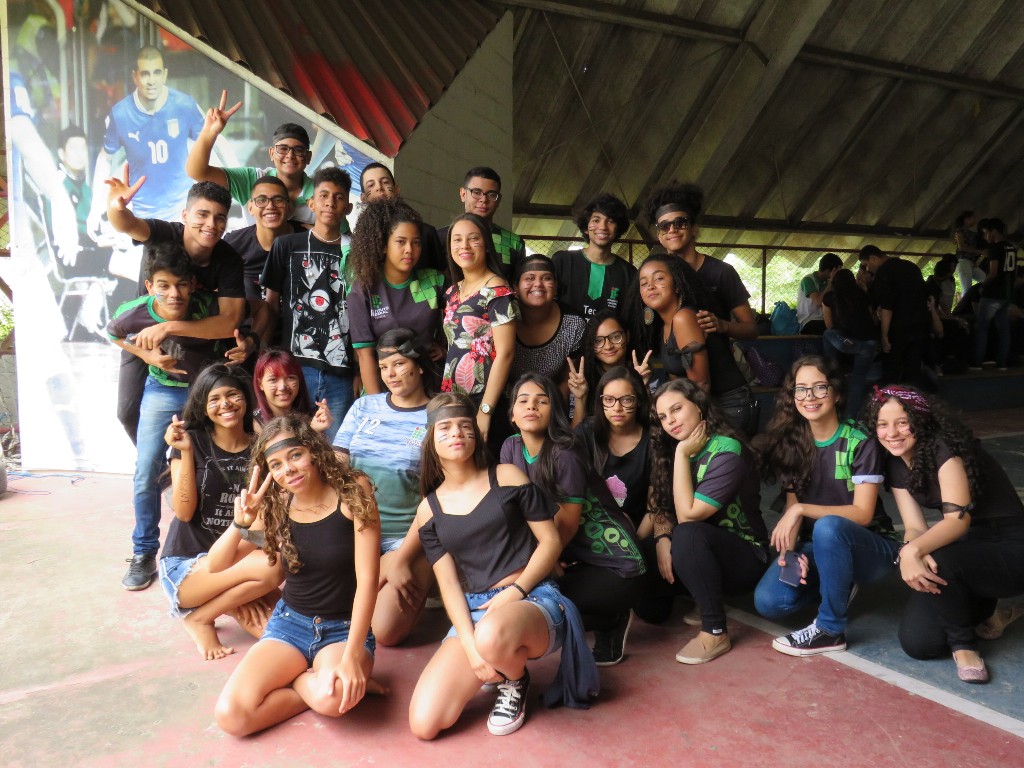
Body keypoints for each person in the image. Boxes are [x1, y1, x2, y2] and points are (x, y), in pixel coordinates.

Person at [407, 394, 596, 739]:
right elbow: (448, 584)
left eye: (464, 425)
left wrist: (516, 591)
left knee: (491, 636)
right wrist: (470, 649)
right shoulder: (427, 510)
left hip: (532, 598)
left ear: (476, 434)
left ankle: (515, 679)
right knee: (425, 723)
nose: (456, 433)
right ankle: (491, 656)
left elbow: (551, 541)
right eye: (445, 428)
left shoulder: (506, 476)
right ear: (430, 440)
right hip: (476, 610)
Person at [214, 414, 381, 736]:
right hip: (290, 625)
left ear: (313, 451)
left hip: (343, 630)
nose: (288, 469)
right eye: (275, 464)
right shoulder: (276, 504)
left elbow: (367, 582)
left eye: (295, 455)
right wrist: (241, 523)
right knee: (231, 717)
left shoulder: (351, 490)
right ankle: (310, 680)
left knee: (333, 699)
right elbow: (216, 565)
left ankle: (314, 679)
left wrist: (351, 656)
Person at [868, 386, 1024, 683]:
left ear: (920, 420)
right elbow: (915, 527)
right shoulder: (895, 461)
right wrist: (913, 550)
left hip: (1009, 548)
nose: (892, 433)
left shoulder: (944, 449)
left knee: (938, 558)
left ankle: (964, 647)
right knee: (919, 643)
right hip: (965, 552)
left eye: (902, 422)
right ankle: (988, 610)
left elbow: (956, 522)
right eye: (882, 424)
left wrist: (911, 551)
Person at [753, 355, 899, 656]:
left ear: (836, 393)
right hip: (818, 544)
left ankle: (830, 630)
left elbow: (862, 514)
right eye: (801, 389)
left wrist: (801, 510)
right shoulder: (793, 443)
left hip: (871, 547)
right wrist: (790, 555)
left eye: (819, 387)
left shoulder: (859, 441)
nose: (810, 396)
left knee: (829, 526)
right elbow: (792, 509)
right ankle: (838, 584)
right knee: (769, 602)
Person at [501, 374, 645, 666]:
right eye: (523, 401)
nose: (531, 406)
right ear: (512, 414)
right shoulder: (510, 448)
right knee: (518, 591)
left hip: (616, 566)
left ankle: (611, 617)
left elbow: (567, 524)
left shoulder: (565, 452)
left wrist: (545, 563)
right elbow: (513, 514)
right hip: (571, 557)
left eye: (542, 401)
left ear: (554, 411)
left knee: (538, 602)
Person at [107, 243, 224, 590]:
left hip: (204, 391)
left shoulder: (207, 306)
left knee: (216, 466)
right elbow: (113, 333)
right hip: (162, 389)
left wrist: (242, 345)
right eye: (164, 286)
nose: (174, 294)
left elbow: (239, 326)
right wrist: (146, 357)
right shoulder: (133, 312)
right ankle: (144, 552)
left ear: (193, 284)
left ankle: (216, 545)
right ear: (149, 287)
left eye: (181, 285)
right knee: (145, 470)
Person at [105, 173, 246, 442]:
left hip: (192, 342)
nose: (211, 224)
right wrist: (116, 207)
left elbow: (230, 321)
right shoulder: (164, 234)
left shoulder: (228, 259)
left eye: (219, 218)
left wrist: (168, 328)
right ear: (185, 215)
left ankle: (183, 461)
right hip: (144, 334)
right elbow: (127, 224)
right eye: (202, 214)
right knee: (127, 412)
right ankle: (157, 466)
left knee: (195, 417)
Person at [158, 364, 280, 660]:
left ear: (246, 399)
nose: (225, 404)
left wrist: (236, 578)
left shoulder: (260, 449)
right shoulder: (192, 440)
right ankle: (200, 617)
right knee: (273, 566)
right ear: (203, 405)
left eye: (233, 395)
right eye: (214, 398)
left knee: (276, 631)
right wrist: (186, 451)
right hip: (186, 568)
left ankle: (227, 601)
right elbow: (184, 513)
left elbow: (261, 526)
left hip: (237, 561)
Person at [647, 378, 768, 664]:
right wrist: (661, 538)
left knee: (687, 533)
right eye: (663, 416)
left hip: (745, 556)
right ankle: (701, 595)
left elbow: (687, 515)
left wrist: (681, 454)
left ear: (699, 406)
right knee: (649, 598)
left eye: (677, 409)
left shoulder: (726, 449)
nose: (670, 421)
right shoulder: (672, 449)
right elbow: (661, 502)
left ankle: (715, 631)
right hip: (703, 551)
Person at [333, 328, 435, 645]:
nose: (390, 374)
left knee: (385, 631)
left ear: (419, 365)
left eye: (399, 364)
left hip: (406, 538)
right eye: (383, 367)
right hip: (355, 532)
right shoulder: (364, 407)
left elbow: (441, 498)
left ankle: (396, 572)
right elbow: (337, 466)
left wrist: (401, 557)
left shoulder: (438, 415)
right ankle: (373, 576)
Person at [260, 167, 356, 440]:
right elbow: (270, 306)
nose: (330, 202)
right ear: (311, 203)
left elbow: (362, 313)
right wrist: (264, 357)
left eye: (339, 197)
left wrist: (360, 370)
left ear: (348, 207)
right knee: (292, 442)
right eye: (323, 195)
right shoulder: (286, 246)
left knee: (336, 448)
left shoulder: (356, 251)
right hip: (294, 369)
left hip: (341, 370)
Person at [87, 45, 205, 231]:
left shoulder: (185, 104)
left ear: (164, 75)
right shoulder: (121, 114)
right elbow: (105, 157)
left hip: (183, 212)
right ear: (135, 77)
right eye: (145, 74)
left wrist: (237, 187)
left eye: (156, 73)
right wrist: (95, 209)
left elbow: (212, 142)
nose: (151, 81)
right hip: (142, 217)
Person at [635, 253, 752, 432]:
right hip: (704, 405)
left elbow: (701, 385)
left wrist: (690, 431)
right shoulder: (664, 325)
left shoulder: (684, 318)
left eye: (659, 278)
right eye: (643, 283)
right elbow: (677, 384)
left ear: (677, 285)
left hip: (728, 407)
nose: (650, 286)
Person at [347, 199, 445, 393]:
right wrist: (377, 405)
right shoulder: (364, 289)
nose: (410, 249)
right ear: (384, 245)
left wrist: (445, 349)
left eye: (416, 242)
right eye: (401, 242)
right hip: (384, 389)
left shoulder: (435, 281)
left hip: (429, 388)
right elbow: (365, 355)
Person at [641, 181, 759, 342]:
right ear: (659, 235)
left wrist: (723, 325)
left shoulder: (721, 272)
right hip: (671, 357)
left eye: (680, 223)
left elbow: (751, 329)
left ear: (694, 228)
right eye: (664, 226)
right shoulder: (652, 277)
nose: (672, 230)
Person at [186, 91, 322, 228]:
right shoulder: (253, 179)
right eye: (283, 149)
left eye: (298, 150)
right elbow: (197, 172)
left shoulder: (322, 195)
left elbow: (334, 236)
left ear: (308, 157)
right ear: (271, 153)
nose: (290, 155)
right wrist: (209, 132)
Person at [440, 213, 519, 447]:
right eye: (457, 239)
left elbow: (506, 353)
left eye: (473, 239)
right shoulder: (452, 291)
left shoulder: (497, 290)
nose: (464, 245)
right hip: (453, 397)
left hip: (484, 398)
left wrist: (485, 410)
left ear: (486, 245)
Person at [574, 367, 652, 532]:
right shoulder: (586, 432)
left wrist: (633, 542)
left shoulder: (652, 442)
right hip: (588, 528)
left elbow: (655, 507)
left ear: (639, 401)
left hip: (636, 531)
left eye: (626, 400)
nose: (617, 408)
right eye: (609, 399)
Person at [508, 255, 586, 404]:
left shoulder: (573, 323)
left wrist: (554, 413)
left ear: (556, 287)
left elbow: (566, 380)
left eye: (546, 278)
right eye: (529, 278)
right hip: (506, 399)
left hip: (551, 401)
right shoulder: (503, 318)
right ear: (515, 287)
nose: (538, 284)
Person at [551, 193, 636, 319]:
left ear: (618, 228)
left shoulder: (629, 273)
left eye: (610, 221)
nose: (603, 227)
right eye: (596, 220)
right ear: (586, 227)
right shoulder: (562, 261)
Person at [223, 175, 306, 303]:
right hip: (253, 314)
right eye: (261, 200)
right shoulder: (234, 243)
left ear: (289, 207)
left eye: (278, 200)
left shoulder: (308, 239)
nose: (270, 206)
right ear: (250, 208)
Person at [436, 167, 525, 282]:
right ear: (463, 194)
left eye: (491, 194)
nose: (484, 199)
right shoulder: (440, 237)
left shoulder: (514, 242)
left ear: (498, 200)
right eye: (476, 192)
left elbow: (519, 285)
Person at [857, 245, 930, 385]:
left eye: (866, 265)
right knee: (913, 369)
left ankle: (892, 397)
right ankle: (912, 396)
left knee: (892, 369)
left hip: (899, 328)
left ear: (873, 258)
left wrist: (884, 335)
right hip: (920, 325)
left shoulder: (884, 272)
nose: (867, 269)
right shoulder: (911, 267)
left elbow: (887, 306)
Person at [567, 310, 652, 426]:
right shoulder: (583, 379)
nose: (608, 346)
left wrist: (643, 387)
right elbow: (576, 433)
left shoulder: (643, 372)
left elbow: (654, 427)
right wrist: (580, 398)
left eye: (616, 337)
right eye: (598, 341)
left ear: (627, 336)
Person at [357, 163, 445, 271]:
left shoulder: (425, 233)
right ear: (363, 198)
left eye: (385, 182)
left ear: (397, 189)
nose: (379, 187)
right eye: (371, 185)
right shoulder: (361, 241)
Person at [822, 268, 879, 419]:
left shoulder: (829, 297)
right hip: (869, 342)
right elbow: (873, 319)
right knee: (858, 380)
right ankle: (851, 418)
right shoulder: (862, 295)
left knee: (827, 334)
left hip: (847, 343)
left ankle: (831, 365)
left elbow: (829, 325)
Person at [252, 348, 332, 433]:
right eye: (273, 380)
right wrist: (313, 432)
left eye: (290, 378)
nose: (283, 387)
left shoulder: (311, 418)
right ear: (260, 384)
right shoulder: (254, 425)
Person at [972, 218, 1016, 370]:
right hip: (1006, 294)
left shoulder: (994, 248)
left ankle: (977, 362)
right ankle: (1002, 362)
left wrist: (983, 285)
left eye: (986, 233)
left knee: (981, 327)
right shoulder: (1012, 247)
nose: (985, 236)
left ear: (994, 232)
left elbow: (993, 272)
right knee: (1003, 329)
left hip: (993, 294)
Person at [796, 253, 843, 334]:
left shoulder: (829, 282)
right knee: (833, 330)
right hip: (809, 320)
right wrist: (830, 284)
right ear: (828, 271)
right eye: (836, 272)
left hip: (824, 319)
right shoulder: (808, 280)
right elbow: (818, 301)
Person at [952, 211, 985, 295]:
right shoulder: (959, 232)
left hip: (972, 262)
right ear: (966, 219)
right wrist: (980, 251)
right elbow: (962, 247)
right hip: (963, 261)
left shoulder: (971, 233)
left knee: (985, 280)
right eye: (973, 218)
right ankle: (965, 302)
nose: (975, 220)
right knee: (967, 288)